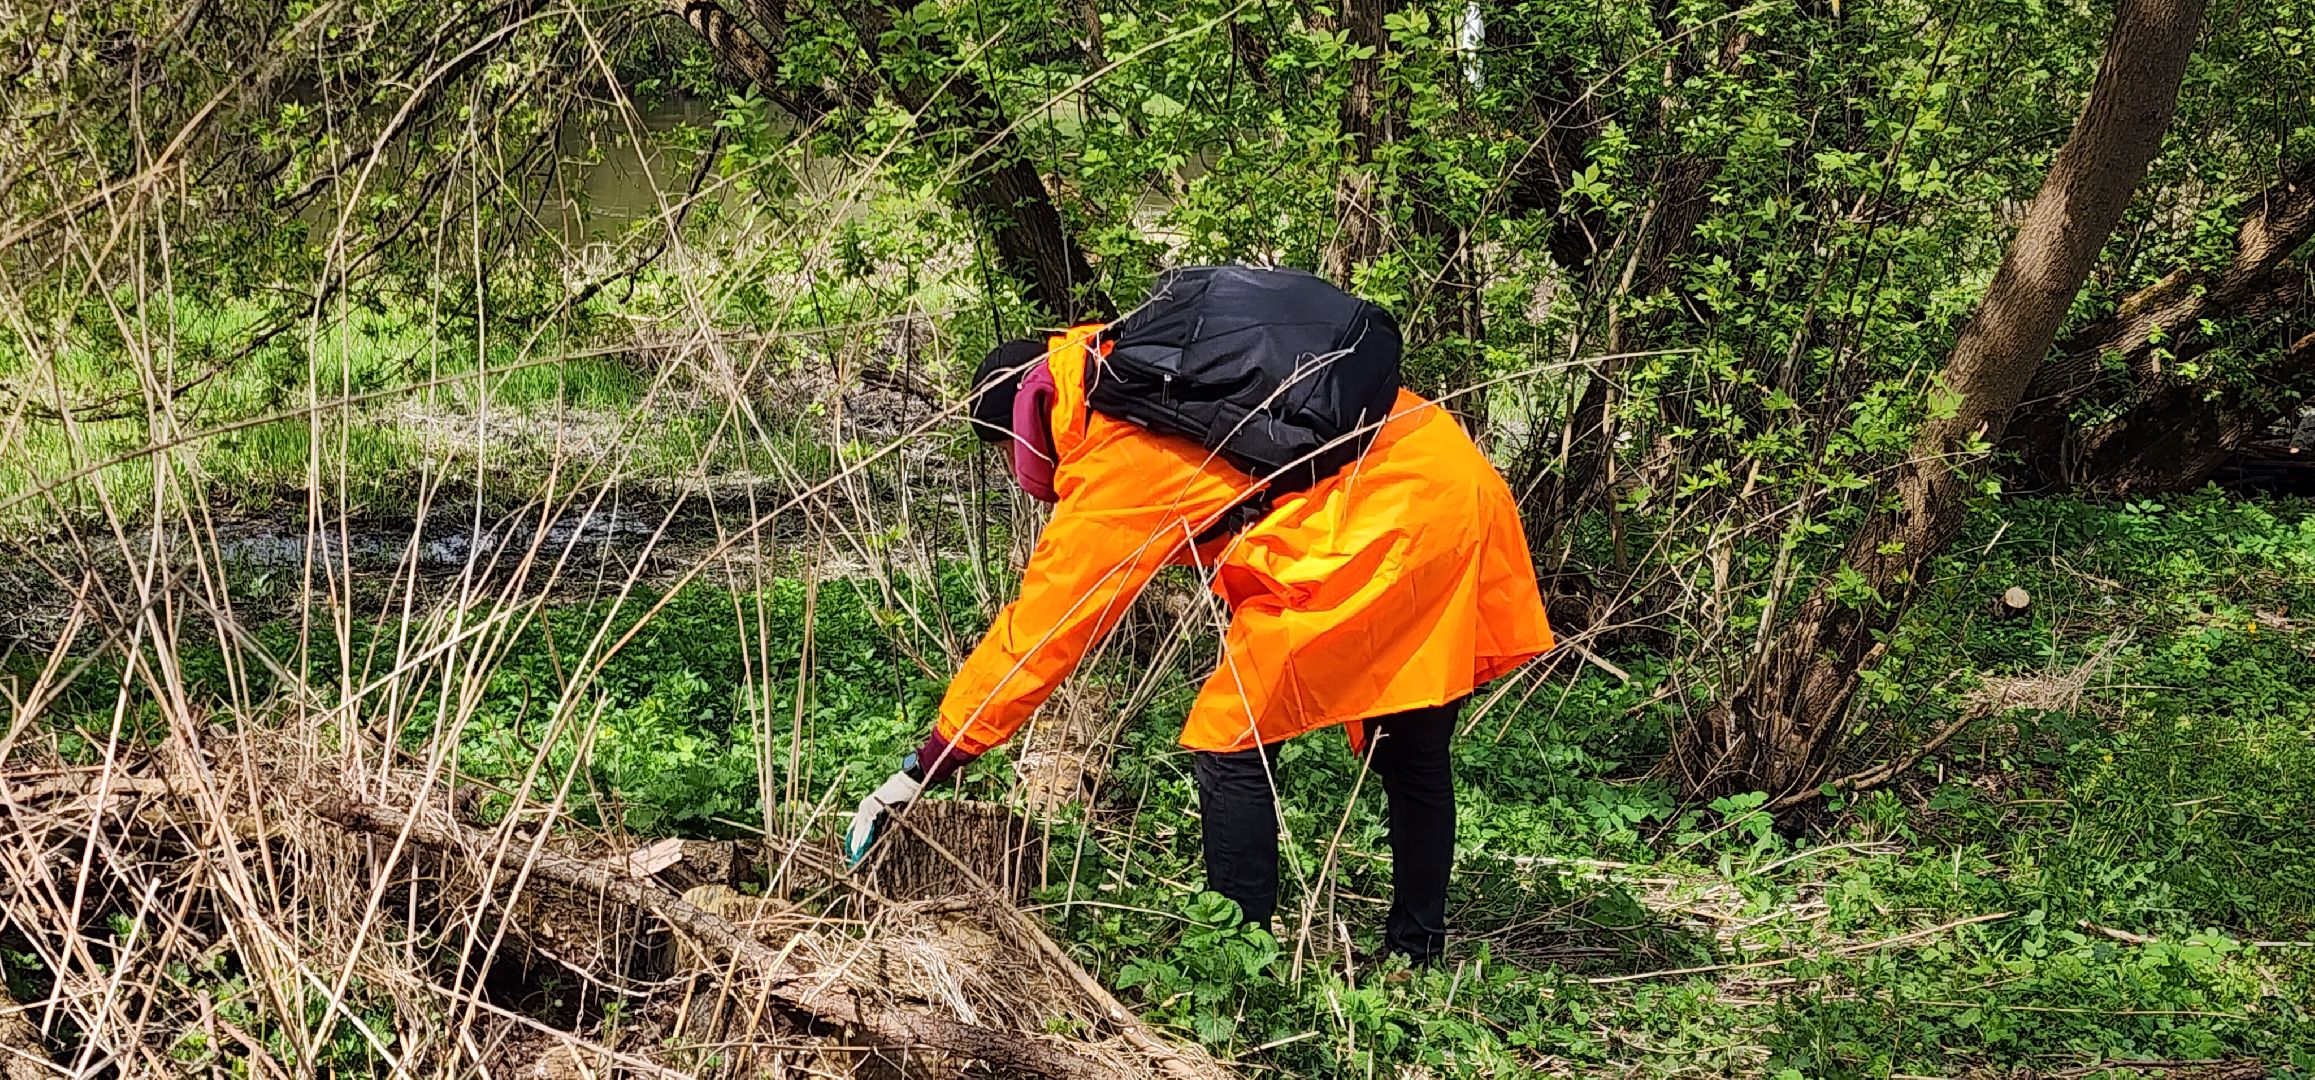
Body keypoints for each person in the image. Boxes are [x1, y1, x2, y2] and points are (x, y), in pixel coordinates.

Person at [847, 291, 1552, 963]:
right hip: (1446, 474)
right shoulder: (1137, 364)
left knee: (1229, 732)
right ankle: (1415, 952)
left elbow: (1041, 633)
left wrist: (929, 763)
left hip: (1391, 518)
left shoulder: (1120, 450)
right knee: (1412, 747)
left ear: (1022, 428)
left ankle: (1239, 961)